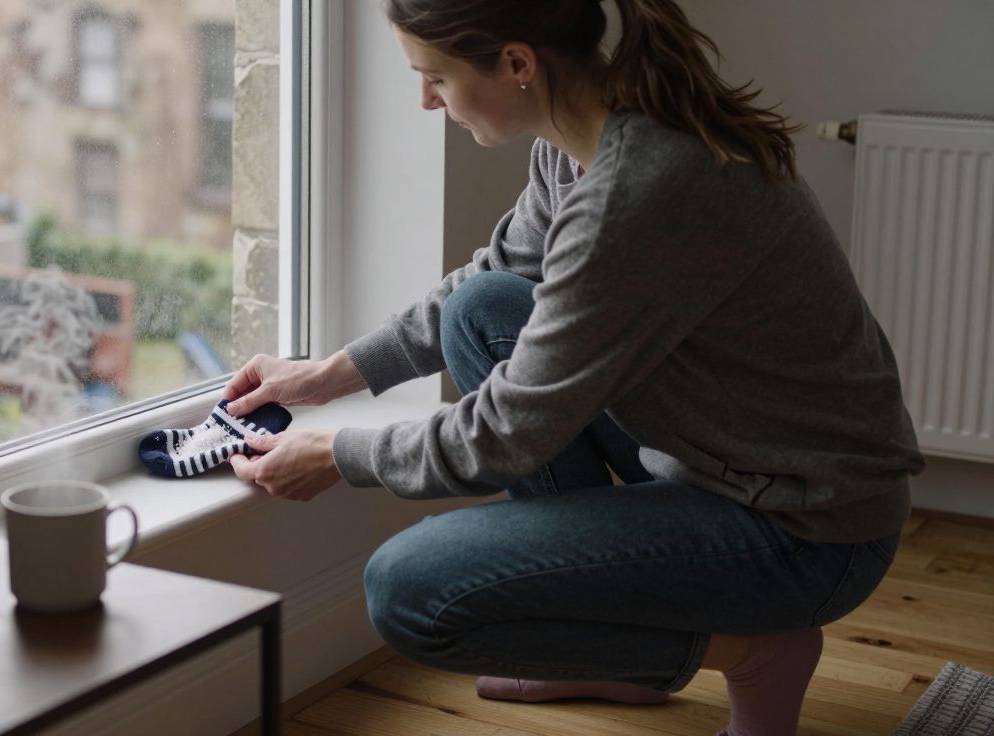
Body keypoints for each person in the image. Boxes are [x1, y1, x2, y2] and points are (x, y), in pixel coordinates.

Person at [223, 0, 925, 734]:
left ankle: (756, 650)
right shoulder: (586, 135)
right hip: (724, 455)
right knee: (484, 310)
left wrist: (336, 454)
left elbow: (500, 438)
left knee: (409, 592)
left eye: (435, 77)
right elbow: (489, 278)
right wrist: (326, 375)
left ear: (518, 64)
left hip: (806, 528)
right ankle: (610, 651)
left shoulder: (637, 193)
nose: (425, 100)